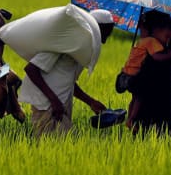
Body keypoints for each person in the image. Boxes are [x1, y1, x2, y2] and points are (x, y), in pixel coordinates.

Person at [19, 9, 114, 138]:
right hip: (47, 106)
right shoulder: (65, 42)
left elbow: (69, 82)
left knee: (59, 148)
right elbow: (31, 69)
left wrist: (91, 102)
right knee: (59, 146)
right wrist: (53, 100)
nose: (105, 40)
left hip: (60, 106)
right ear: (95, 28)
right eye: (105, 32)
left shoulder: (81, 48)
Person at [120, 10, 171, 132]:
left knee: (135, 99)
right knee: (139, 99)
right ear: (156, 30)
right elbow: (157, 58)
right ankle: (132, 119)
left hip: (129, 74)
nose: (168, 39)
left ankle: (131, 119)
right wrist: (170, 54)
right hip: (149, 92)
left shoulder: (145, 40)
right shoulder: (154, 43)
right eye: (166, 35)